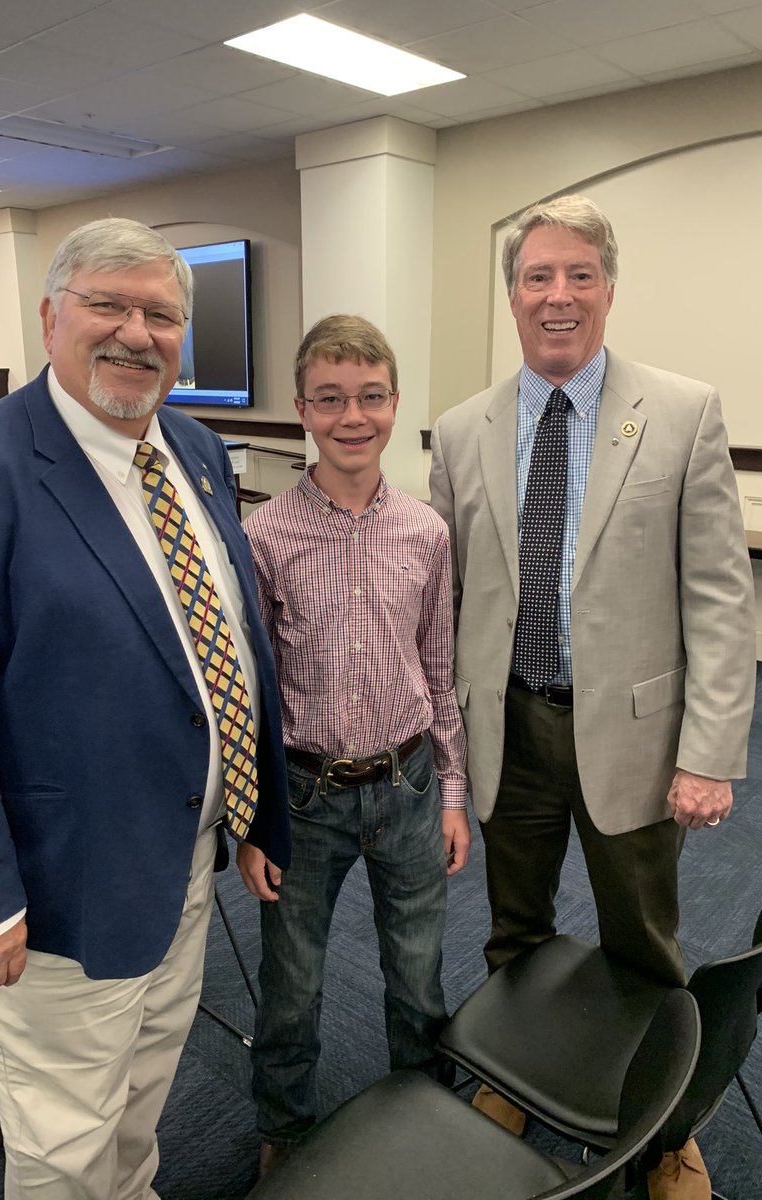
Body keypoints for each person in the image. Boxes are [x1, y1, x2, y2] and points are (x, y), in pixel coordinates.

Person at [0, 217, 290, 1200]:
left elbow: (228, 640)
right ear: (50, 318)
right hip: (58, 895)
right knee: (65, 1142)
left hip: (186, 860)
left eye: (160, 314)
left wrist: (252, 812)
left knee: (143, 1091)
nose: (135, 332)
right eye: (107, 305)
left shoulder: (195, 449)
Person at [429, 195, 755, 1199]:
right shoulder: (462, 430)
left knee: (644, 942)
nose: (557, 295)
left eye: (579, 275)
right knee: (514, 928)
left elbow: (720, 594)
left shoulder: (684, 411)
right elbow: (447, 600)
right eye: (538, 276)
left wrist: (710, 752)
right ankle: (512, 1073)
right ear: (513, 296)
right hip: (510, 724)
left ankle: (664, 1129)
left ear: (608, 290)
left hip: (638, 735)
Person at [242, 314, 470, 1177]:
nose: (353, 416)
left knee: (418, 974)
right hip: (305, 795)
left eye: (371, 397)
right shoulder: (265, 538)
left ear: (395, 404)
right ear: (303, 409)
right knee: (292, 985)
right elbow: (252, 696)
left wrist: (453, 794)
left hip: (408, 786)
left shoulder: (426, 531)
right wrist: (253, 820)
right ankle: (285, 1133)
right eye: (331, 399)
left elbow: (439, 671)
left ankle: (424, 1116)